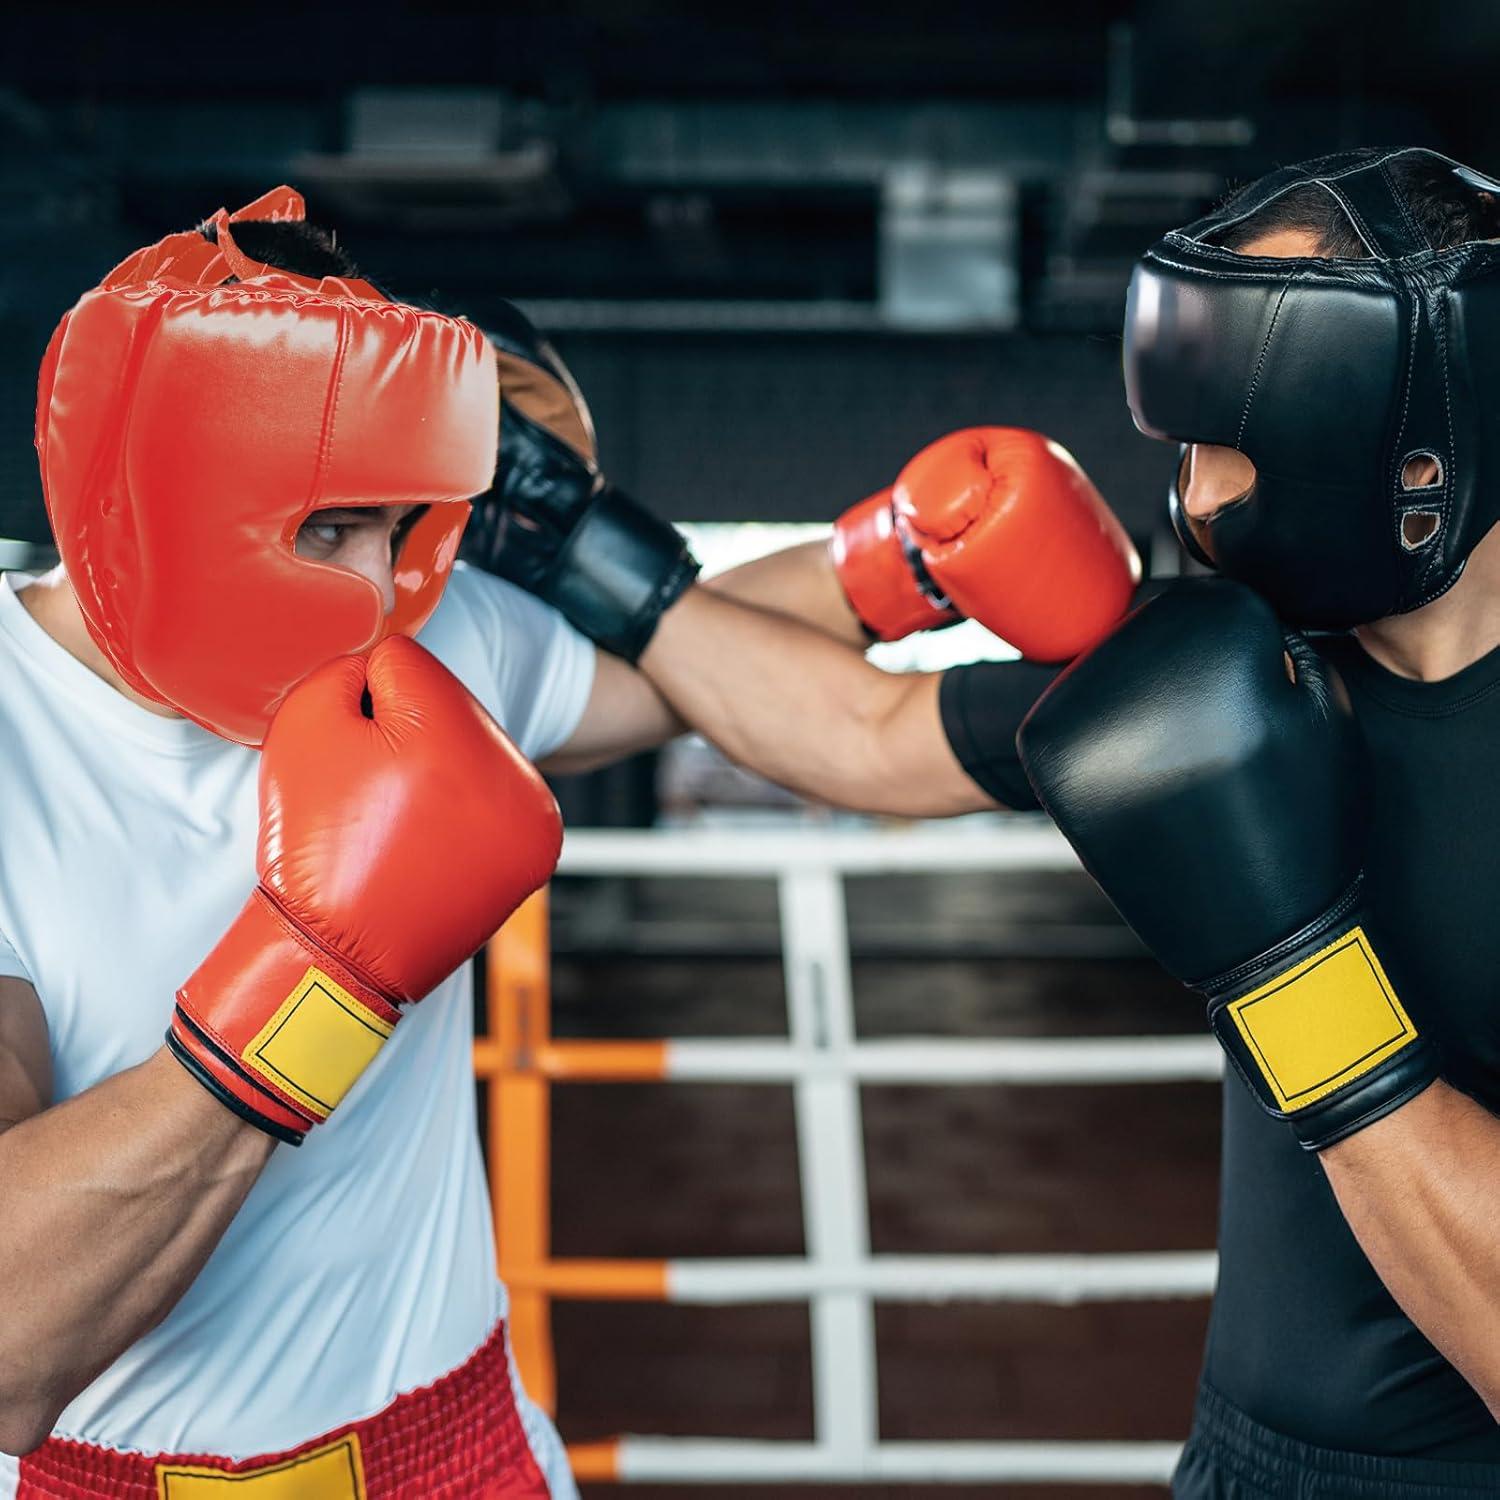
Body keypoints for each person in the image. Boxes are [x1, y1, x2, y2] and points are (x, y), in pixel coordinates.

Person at [0, 188, 1137, 1494]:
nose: (376, 593)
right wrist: (316, 978)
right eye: (327, 532)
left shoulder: (410, 640)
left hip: (464, 1447)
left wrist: (899, 564)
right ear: (161, 491)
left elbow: (683, 667)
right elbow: (11, 1345)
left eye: (398, 528)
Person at [490, 146, 1500, 1498]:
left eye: (1242, 449)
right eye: (1189, 447)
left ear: (1415, 444)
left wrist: (1294, 978)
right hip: (1240, 1454)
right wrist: (580, 545)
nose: (1196, 503)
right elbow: (865, 734)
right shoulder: (1236, 673)